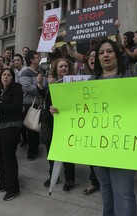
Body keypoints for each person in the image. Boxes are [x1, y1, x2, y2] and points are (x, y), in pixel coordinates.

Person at [50, 39, 137, 216]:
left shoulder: (133, 74)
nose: (105, 55)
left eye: (109, 51)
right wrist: (60, 110)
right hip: (98, 148)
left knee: (123, 192)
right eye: (101, 53)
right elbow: (76, 109)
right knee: (105, 188)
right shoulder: (91, 83)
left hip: (125, 147)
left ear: (117, 55)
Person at [38, 58, 77, 191]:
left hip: (66, 122)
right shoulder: (51, 82)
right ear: (56, 69)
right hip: (50, 121)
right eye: (61, 66)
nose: (64, 68)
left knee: (67, 152)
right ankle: (53, 175)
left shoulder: (73, 83)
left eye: (66, 66)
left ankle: (70, 179)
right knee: (51, 150)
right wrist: (41, 85)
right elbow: (45, 100)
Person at [0, 68, 23, 201]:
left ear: (12, 77)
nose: (6, 77)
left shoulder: (17, 89)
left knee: (8, 157)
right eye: (4, 75)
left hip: (11, 126)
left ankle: (13, 188)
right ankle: (3, 183)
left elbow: (17, 108)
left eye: (8, 75)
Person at [19, 50, 44, 161]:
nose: (39, 58)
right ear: (31, 60)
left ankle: (34, 149)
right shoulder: (26, 72)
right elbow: (26, 87)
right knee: (31, 128)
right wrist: (39, 88)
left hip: (39, 104)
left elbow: (45, 85)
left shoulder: (40, 71)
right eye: (36, 57)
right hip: (29, 104)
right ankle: (31, 153)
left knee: (36, 128)